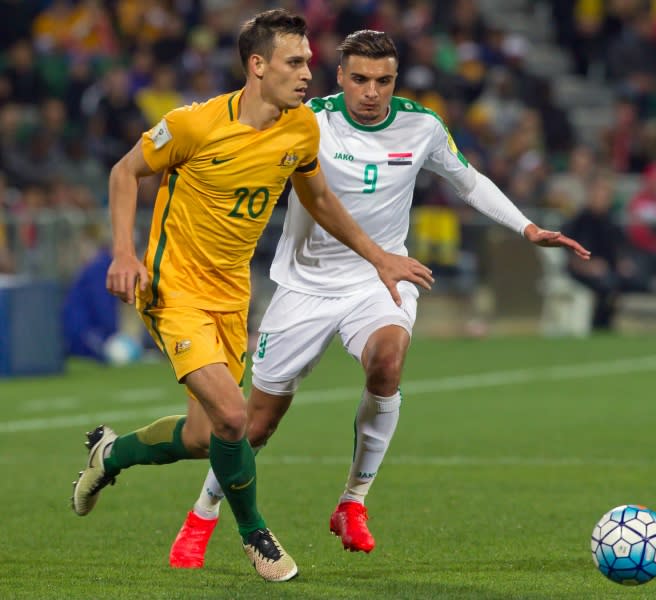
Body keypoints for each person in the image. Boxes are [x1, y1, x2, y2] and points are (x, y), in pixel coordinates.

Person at [166, 30, 591, 569]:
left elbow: (469, 181)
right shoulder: (307, 119)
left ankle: (353, 502)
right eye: (360, 79)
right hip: (304, 285)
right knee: (254, 425)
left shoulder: (422, 126)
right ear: (340, 76)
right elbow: (237, 134)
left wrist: (527, 228)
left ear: (396, 80)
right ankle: (202, 512)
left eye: (383, 81)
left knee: (386, 364)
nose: (371, 92)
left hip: (380, 277)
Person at [69, 10, 434, 584]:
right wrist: (124, 252)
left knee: (205, 434)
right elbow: (124, 172)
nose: (308, 73)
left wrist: (378, 255)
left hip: (232, 294)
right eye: (296, 62)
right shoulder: (193, 125)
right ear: (258, 66)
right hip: (174, 288)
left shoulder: (300, 129)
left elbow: (319, 200)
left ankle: (109, 456)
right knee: (237, 418)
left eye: (309, 62)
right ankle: (255, 534)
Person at [562, 170, 647, 330]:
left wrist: (624, 263)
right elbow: (568, 253)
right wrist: (588, 266)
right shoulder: (578, 222)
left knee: (637, 281)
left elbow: (621, 248)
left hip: (608, 270)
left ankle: (614, 322)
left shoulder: (611, 222)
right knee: (606, 284)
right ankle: (599, 325)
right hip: (583, 271)